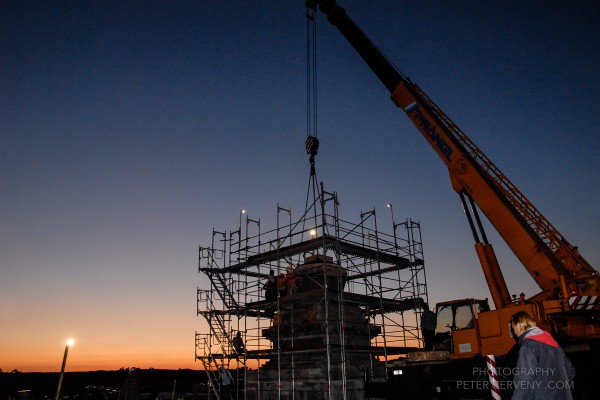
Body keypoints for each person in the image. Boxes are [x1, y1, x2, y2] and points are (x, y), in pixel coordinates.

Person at [510, 311, 575, 400]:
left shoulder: (528, 345)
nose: (515, 334)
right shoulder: (554, 343)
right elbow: (570, 370)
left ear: (518, 325)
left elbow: (525, 381)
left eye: (514, 330)